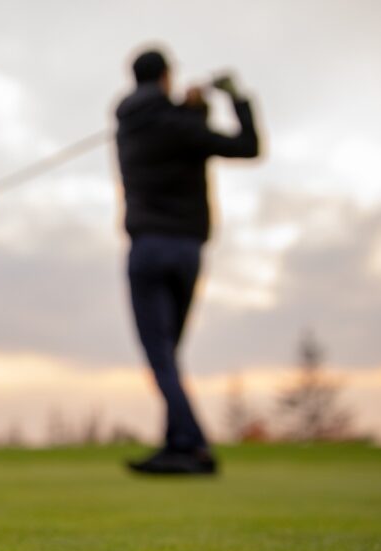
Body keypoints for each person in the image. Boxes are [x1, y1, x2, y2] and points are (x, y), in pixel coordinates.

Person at [114, 47, 261, 475]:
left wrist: (187, 110)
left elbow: (162, 128)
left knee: (162, 355)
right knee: (168, 354)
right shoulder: (182, 125)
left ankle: (188, 445)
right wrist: (229, 100)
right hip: (186, 249)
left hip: (147, 249)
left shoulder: (127, 125)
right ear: (166, 77)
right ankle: (181, 444)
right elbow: (248, 146)